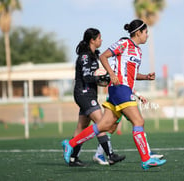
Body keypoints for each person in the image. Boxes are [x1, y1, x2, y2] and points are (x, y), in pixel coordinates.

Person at [62, 19, 166, 170]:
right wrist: (111, 74)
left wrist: (146, 77)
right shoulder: (124, 43)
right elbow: (104, 56)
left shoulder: (138, 51)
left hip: (123, 90)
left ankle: (70, 144)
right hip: (120, 89)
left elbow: (131, 73)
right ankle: (146, 159)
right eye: (146, 33)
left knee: (104, 126)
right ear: (138, 33)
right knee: (139, 122)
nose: (147, 36)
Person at [63, 28, 125, 167]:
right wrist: (100, 77)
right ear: (92, 40)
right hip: (83, 94)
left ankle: (73, 158)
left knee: (82, 127)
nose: (101, 40)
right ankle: (110, 155)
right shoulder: (85, 56)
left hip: (88, 94)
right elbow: (86, 76)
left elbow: (94, 77)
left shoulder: (92, 55)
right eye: (99, 38)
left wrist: (103, 79)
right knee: (102, 123)